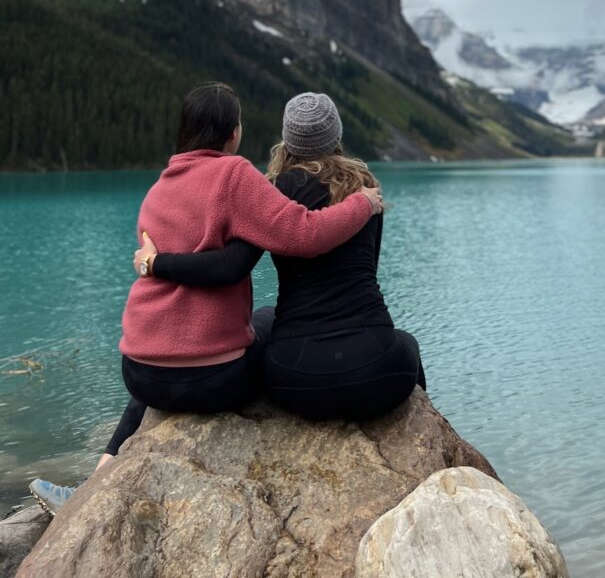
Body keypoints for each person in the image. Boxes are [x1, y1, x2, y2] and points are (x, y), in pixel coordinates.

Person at [29, 82, 382, 516]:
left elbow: (226, 265)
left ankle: (93, 483)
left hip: (140, 373)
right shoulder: (235, 175)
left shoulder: (159, 188)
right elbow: (301, 234)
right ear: (233, 133)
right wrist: (363, 204)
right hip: (214, 383)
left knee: (167, 347)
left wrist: (156, 265)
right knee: (271, 321)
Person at [133, 92, 425, 421]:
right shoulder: (367, 188)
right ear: (337, 135)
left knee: (266, 320)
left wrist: (155, 263)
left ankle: (115, 447)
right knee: (406, 343)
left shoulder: (269, 193)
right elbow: (365, 264)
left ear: (288, 139)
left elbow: (233, 264)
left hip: (295, 378)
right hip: (380, 370)